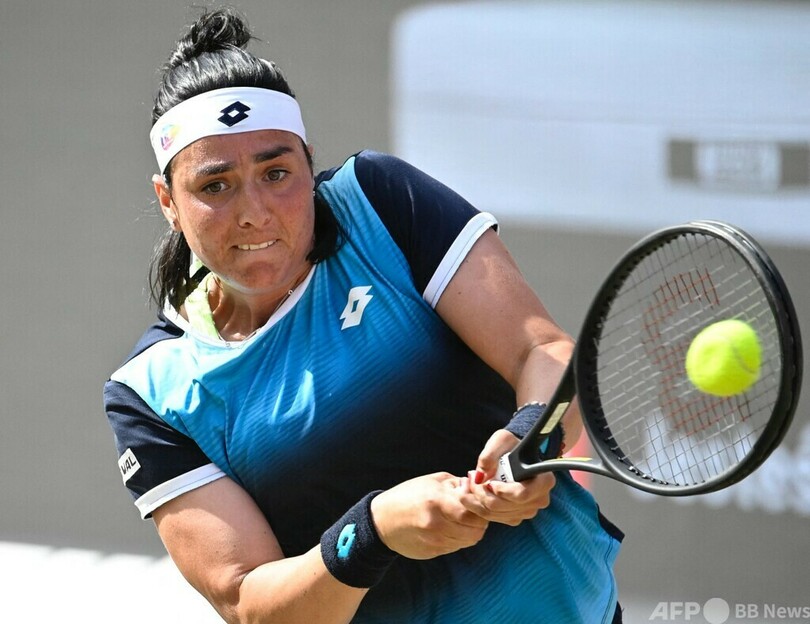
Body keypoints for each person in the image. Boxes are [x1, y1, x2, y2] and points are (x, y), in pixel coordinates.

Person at [104, 8, 623, 623]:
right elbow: (248, 602)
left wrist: (535, 433)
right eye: (215, 186)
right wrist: (374, 533)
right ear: (168, 200)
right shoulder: (151, 393)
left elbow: (542, 351)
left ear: (308, 161)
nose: (256, 213)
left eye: (276, 173)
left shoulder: (379, 202)